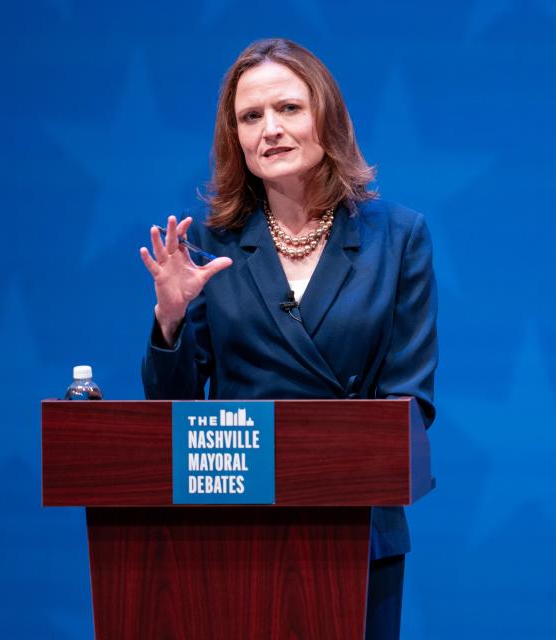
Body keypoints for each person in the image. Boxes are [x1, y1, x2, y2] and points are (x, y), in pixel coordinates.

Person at [139, 38, 437, 640]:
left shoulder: (398, 236)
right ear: (236, 138)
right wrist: (170, 320)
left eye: (289, 109)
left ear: (326, 117)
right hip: (235, 528)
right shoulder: (208, 242)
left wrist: (321, 456)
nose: (270, 130)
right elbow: (169, 412)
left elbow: (412, 402)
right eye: (251, 117)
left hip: (358, 528)